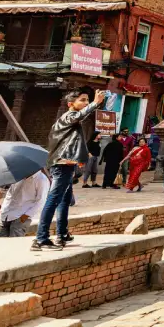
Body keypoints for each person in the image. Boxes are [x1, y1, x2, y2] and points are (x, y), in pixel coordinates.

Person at [34, 89, 104, 251]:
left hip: (66, 163)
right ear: (70, 104)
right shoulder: (68, 117)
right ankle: (41, 239)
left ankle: (62, 233)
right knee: (54, 199)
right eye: (83, 100)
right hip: (61, 165)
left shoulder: (71, 120)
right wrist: (95, 103)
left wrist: (78, 158)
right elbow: (80, 115)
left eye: (87, 100)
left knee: (65, 200)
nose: (86, 103)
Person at [0, 169, 50, 237]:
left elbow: (41, 201)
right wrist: (3, 209)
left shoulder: (41, 179)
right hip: (5, 214)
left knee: (14, 245)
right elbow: (10, 194)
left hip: (20, 217)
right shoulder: (18, 175)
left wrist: (26, 216)